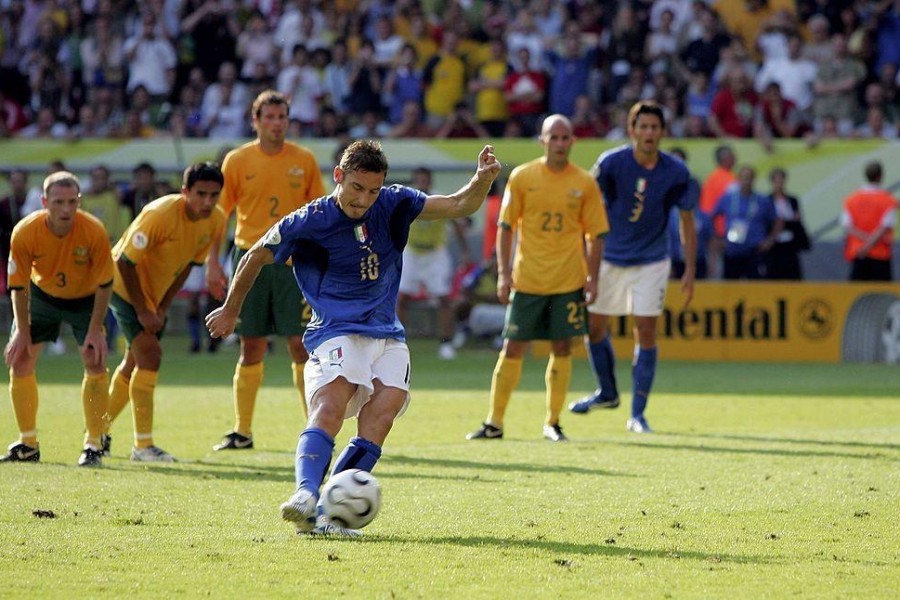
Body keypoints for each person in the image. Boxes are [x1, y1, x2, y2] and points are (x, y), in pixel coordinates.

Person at [206, 140, 501, 536]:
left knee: (384, 412)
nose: (364, 199)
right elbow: (254, 255)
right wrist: (230, 308)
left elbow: (458, 204)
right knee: (331, 404)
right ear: (339, 177)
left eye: (373, 190)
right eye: (357, 188)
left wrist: (481, 180)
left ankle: (328, 511)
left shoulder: (394, 203)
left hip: (387, 332)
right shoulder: (308, 220)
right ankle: (305, 494)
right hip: (335, 329)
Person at [466, 115, 608, 443]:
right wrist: (504, 274)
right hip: (527, 280)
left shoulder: (585, 183)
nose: (559, 143)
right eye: (553, 137)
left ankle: (553, 422)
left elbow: (596, 234)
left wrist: (593, 276)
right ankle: (494, 422)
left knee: (562, 347)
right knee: (512, 347)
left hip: (568, 281)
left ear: (572, 141)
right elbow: (506, 227)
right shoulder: (522, 177)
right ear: (542, 141)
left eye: (565, 137)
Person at [205, 90, 326, 453]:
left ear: (289, 121)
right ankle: (242, 431)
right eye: (269, 117)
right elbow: (219, 215)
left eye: (282, 117)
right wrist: (212, 261)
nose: (276, 124)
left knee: (300, 346)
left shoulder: (303, 160)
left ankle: (316, 428)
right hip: (250, 259)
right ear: (255, 121)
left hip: (293, 263)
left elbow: (318, 213)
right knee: (251, 345)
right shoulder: (237, 160)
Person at [569, 101, 696, 434]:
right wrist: (586, 264)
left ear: (662, 132)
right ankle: (607, 393)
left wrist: (690, 270)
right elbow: (588, 212)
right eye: (644, 127)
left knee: (646, 331)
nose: (649, 133)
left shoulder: (676, 171)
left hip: (653, 259)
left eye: (655, 127)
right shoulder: (611, 164)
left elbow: (687, 220)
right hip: (610, 256)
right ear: (632, 130)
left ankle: (638, 414)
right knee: (594, 328)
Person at [103, 163, 226, 462]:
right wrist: (144, 310)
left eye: (214, 195)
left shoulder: (215, 220)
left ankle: (96, 432)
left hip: (153, 297)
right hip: (121, 287)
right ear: (185, 192)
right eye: (200, 194)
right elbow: (124, 263)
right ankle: (142, 447)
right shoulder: (159, 214)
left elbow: (186, 267)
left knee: (133, 363)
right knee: (151, 356)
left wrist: (162, 306)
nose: (207, 202)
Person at [2, 171, 113, 466]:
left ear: (80, 201)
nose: (65, 209)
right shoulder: (25, 231)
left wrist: (95, 330)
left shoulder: (94, 231)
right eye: (58, 202)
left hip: (85, 299)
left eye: (71, 202)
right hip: (41, 297)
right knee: (21, 360)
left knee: (95, 359)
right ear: (43, 202)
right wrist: (21, 331)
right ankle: (28, 444)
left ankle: (93, 444)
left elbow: (105, 284)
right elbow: (18, 285)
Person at [396, 167, 471, 360]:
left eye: (425, 179)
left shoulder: (440, 201)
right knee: (401, 298)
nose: (422, 183)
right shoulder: (406, 201)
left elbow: (456, 225)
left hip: (435, 253)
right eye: (418, 179)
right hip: (411, 252)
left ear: (430, 181)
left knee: (443, 298)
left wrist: (464, 250)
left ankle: (445, 343)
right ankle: (398, 343)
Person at [841, 161, 898, 281]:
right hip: (880, 254)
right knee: (881, 295)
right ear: (880, 176)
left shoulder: (851, 200)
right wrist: (870, 244)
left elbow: (848, 226)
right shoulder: (888, 200)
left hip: (858, 252)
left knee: (857, 295)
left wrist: (864, 245)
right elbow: (885, 227)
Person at [765, 168, 810, 279]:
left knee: (792, 275)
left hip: (790, 245)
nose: (779, 183)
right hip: (774, 245)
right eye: (776, 180)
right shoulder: (767, 201)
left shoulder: (792, 200)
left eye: (781, 180)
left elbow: (797, 220)